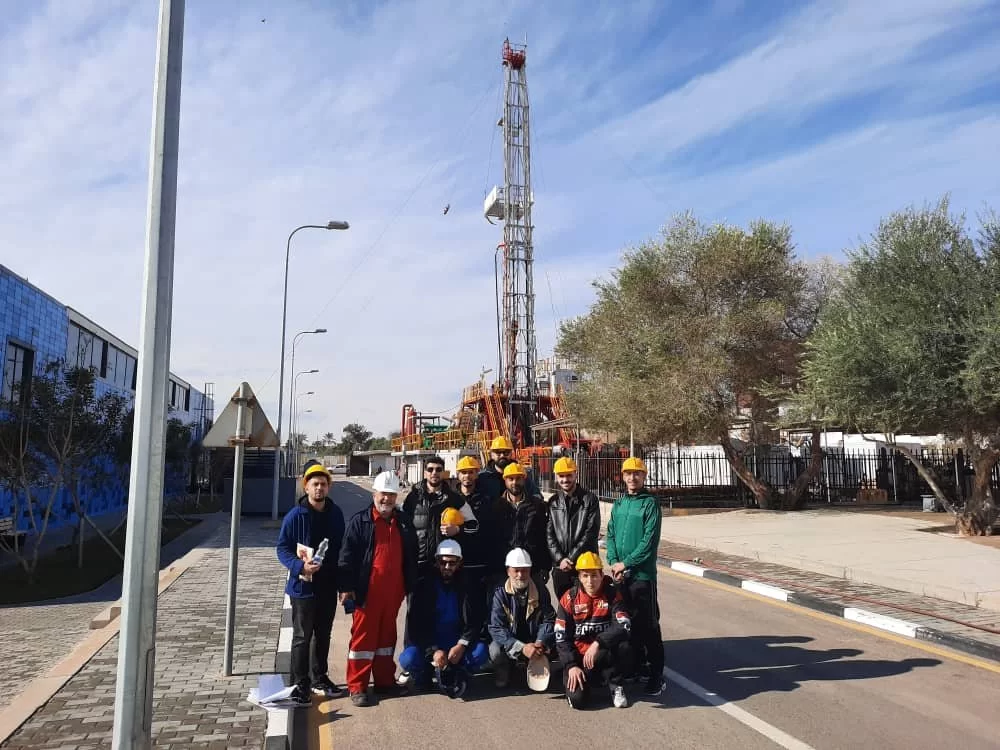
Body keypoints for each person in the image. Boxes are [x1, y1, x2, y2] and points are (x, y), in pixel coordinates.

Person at [338, 470, 418, 707]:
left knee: (386, 640)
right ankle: (357, 686)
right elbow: (346, 557)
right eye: (383, 494)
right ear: (374, 494)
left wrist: (409, 584)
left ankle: (384, 682)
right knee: (363, 641)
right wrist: (346, 586)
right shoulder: (360, 522)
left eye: (391, 495)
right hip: (367, 592)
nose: (387, 499)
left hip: (393, 593)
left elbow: (412, 554)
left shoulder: (403, 522)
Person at [275, 464, 346, 705]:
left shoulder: (335, 514)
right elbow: (282, 548)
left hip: (327, 585)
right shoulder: (295, 516)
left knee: (323, 634)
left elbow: (341, 549)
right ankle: (300, 683)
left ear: (328, 487)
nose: (319, 488)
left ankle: (319, 677)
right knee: (302, 636)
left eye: (323, 484)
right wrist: (299, 566)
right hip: (303, 587)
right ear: (306, 487)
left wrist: (343, 584)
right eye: (314, 484)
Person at [398, 540, 489, 698]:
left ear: (459, 563)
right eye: (443, 562)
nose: (447, 567)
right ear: (437, 562)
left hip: (456, 641)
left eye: (452, 563)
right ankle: (423, 676)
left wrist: (462, 645)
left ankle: (460, 673)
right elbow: (416, 625)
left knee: (481, 652)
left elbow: (475, 621)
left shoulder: (469, 586)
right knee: (408, 658)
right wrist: (433, 651)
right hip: (431, 642)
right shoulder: (424, 586)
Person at [605, 456, 665, 696]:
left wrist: (626, 563)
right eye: (628, 474)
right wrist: (613, 561)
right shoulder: (620, 504)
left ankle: (657, 675)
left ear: (644, 476)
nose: (632, 478)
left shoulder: (650, 504)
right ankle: (637, 667)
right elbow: (610, 533)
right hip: (621, 575)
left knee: (648, 626)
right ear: (623, 476)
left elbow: (649, 542)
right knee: (627, 625)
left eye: (637, 473)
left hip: (642, 576)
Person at [555, 551, 633, 710]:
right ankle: (583, 681)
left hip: (602, 653)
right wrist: (571, 665)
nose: (590, 581)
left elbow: (624, 624)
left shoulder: (612, 595)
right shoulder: (569, 598)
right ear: (579, 577)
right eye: (585, 576)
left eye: (594, 575)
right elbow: (561, 637)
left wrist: (598, 642)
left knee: (624, 645)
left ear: (601, 575)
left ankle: (615, 684)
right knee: (578, 701)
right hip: (579, 658)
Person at [487, 548, 556, 689]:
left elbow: (549, 619)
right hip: (510, 639)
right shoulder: (499, 592)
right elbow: (496, 628)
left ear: (530, 571)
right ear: (508, 571)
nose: (520, 575)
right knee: (495, 650)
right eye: (516, 571)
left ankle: (535, 665)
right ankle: (504, 670)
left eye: (524, 571)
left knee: (557, 642)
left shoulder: (540, 589)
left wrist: (540, 642)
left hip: (533, 637)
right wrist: (521, 647)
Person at [402, 455, 479, 580]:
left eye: (438, 469)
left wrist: (457, 529)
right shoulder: (412, 498)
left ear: (443, 472)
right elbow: (402, 525)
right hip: (417, 564)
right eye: (430, 469)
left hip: (443, 565)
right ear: (425, 472)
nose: (434, 473)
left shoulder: (455, 499)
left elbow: (474, 525)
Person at [546, 456, 601, 599]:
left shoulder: (589, 500)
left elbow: (591, 533)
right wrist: (560, 559)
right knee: (565, 608)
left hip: (584, 566)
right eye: (561, 476)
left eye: (569, 475)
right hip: (561, 569)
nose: (565, 480)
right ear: (556, 477)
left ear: (576, 474)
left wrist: (570, 558)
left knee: (585, 606)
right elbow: (549, 535)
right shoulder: (553, 502)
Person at [494, 462, 550, 585]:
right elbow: (492, 540)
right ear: (505, 480)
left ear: (524, 480)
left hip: (532, 569)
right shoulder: (496, 507)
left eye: (518, 478)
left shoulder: (537, 506)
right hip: (504, 569)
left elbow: (544, 537)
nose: (515, 482)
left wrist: (545, 567)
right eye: (511, 479)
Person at [452, 455, 499, 592]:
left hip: (480, 564)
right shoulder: (450, 499)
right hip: (456, 563)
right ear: (458, 475)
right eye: (463, 472)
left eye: (471, 472)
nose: (467, 476)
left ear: (477, 474)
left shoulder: (487, 500)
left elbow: (491, 531)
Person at [476, 435, 539, 502]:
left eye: (506, 452)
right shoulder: (483, 477)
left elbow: (536, 495)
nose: (502, 455)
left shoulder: (520, 474)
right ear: (491, 455)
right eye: (498, 452)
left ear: (511, 454)